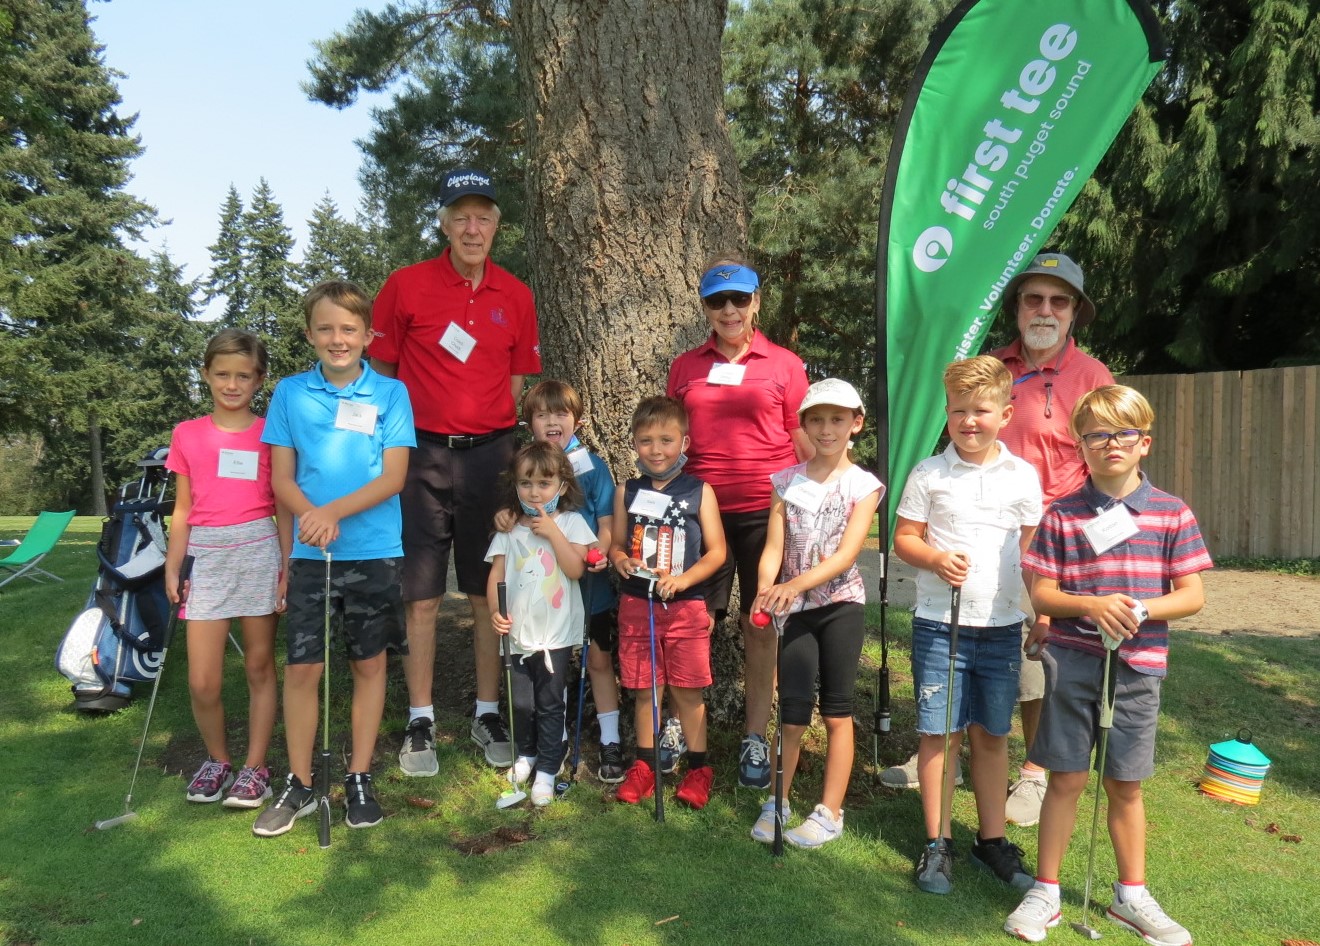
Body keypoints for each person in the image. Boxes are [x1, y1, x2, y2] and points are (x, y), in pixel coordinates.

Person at [880, 252, 1114, 833]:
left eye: (1059, 301)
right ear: (1017, 306)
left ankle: (1033, 771)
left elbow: (1109, 458)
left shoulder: (1093, 377)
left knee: (1037, 657)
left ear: (1074, 314)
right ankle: (941, 754)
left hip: (1055, 536)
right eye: (1034, 298)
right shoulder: (991, 366)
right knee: (975, 654)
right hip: (976, 526)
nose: (1045, 310)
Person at [1004, 385, 1210, 945]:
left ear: (1144, 443)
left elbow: (1191, 595)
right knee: (1065, 778)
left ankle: (1131, 895)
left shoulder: (1171, 513)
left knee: (1125, 784)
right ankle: (1046, 889)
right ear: (1080, 446)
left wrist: (1141, 608)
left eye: (1123, 433)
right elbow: (1043, 594)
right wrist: (1091, 606)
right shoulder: (1064, 516)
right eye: (1096, 434)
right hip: (1073, 663)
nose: (1110, 443)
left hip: (1139, 669)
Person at [370, 167, 540, 777]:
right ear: (443, 223)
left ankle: (487, 709)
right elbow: (381, 377)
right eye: (461, 217)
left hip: (491, 456)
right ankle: (420, 717)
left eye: (484, 217)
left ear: (497, 226)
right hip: (418, 455)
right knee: (419, 592)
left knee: (485, 589)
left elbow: (516, 386)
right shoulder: (406, 285)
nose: (473, 228)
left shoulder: (516, 295)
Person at [253, 280, 415, 837]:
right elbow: (281, 478)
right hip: (308, 554)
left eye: (349, 329)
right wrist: (311, 517)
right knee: (303, 667)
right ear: (309, 335)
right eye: (325, 328)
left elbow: (394, 476)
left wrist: (332, 513)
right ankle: (298, 783)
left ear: (369, 335)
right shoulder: (289, 393)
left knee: (369, 664)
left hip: (373, 552)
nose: (337, 338)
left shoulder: (391, 394)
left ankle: (360, 777)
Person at [894, 356, 1043, 895]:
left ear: (1006, 412)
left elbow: (1033, 556)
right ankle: (938, 843)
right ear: (947, 414)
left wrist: (1042, 612)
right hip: (940, 626)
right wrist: (934, 559)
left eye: (981, 410)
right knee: (941, 734)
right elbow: (904, 538)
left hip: (1002, 627)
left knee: (991, 734)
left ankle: (992, 841)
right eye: (959, 411)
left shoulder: (1023, 476)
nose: (969, 421)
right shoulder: (929, 473)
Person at [666, 254, 811, 790]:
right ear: (704, 306)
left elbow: (801, 438)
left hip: (765, 513)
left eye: (739, 299)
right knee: (691, 623)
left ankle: (754, 733)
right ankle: (678, 727)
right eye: (717, 300)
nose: (729, 310)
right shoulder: (685, 366)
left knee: (759, 624)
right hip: (699, 514)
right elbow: (673, 442)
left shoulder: (785, 364)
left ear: (756, 302)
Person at [750, 379, 881, 848]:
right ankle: (777, 801)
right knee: (792, 710)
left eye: (838, 419)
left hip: (841, 606)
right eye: (817, 420)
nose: (827, 429)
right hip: (794, 611)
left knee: (837, 711)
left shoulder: (864, 485)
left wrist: (790, 586)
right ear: (804, 425)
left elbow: (846, 556)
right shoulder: (785, 482)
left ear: (856, 424)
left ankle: (829, 811)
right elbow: (773, 546)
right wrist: (767, 587)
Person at [164, 329, 291, 811]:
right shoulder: (186, 433)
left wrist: (285, 565)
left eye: (243, 375)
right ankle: (217, 759)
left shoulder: (270, 433)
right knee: (202, 679)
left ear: (259, 380)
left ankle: (255, 768)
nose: (231, 384)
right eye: (222, 374)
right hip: (207, 555)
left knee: (259, 664)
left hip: (258, 549)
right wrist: (173, 566)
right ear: (205, 375)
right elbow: (182, 509)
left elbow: (282, 503)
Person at [494, 381, 623, 782]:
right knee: (550, 667)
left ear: (577, 421)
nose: (552, 421)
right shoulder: (526, 466)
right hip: (540, 591)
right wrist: (503, 515)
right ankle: (555, 741)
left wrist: (598, 554)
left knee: (598, 660)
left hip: (586, 578)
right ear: (529, 423)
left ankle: (611, 740)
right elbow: (512, 511)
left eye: (560, 414)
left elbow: (605, 523)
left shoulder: (593, 466)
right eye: (542, 415)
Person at [609, 396, 726, 810]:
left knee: (687, 691)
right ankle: (643, 766)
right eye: (645, 441)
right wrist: (621, 560)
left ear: (684, 442)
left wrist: (683, 581)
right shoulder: (627, 489)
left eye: (665, 440)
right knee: (645, 689)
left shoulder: (699, 491)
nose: (656, 450)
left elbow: (716, 552)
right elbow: (617, 545)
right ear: (635, 445)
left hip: (686, 605)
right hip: (637, 605)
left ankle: (698, 770)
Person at [486, 442, 597, 806]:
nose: (534, 492)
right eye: (526, 484)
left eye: (544, 484)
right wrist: (494, 612)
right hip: (517, 634)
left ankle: (549, 766)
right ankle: (527, 754)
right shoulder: (508, 527)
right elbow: (497, 574)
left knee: (550, 702)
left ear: (562, 486)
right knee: (520, 702)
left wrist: (552, 532)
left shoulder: (571, 522)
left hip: (555, 634)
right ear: (515, 486)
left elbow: (576, 568)